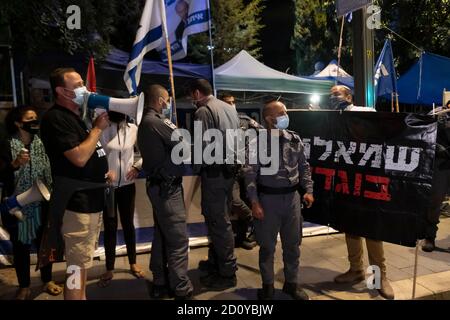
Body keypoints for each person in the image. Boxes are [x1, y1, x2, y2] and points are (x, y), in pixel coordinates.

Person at [40, 68, 109, 300]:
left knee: (81, 264)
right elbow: (78, 157)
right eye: (78, 84)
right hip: (77, 204)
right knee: (75, 268)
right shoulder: (56, 118)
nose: (85, 89)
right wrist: (98, 129)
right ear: (61, 91)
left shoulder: (74, 118)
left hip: (89, 202)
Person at [243, 100, 314, 300]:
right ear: (269, 118)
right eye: (282, 113)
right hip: (268, 201)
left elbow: (304, 167)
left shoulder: (294, 139)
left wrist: (308, 190)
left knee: (293, 245)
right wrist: (254, 203)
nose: (286, 115)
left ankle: (291, 284)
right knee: (267, 247)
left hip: (292, 199)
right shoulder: (257, 143)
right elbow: (249, 175)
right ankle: (267, 286)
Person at [329, 85, 394, 300]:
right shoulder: (331, 118)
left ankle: (378, 277)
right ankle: (356, 269)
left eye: (336, 94)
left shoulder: (365, 112)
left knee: (372, 228)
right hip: (346, 178)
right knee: (351, 225)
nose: (332, 97)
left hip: (368, 176)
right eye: (330, 95)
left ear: (348, 96)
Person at [0, 105, 62, 300]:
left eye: (36, 118)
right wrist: (14, 165)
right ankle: (24, 286)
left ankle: (47, 280)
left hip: (42, 202)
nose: (35, 122)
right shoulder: (6, 145)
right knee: (21, 248)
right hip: (19, 204)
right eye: (30, 119)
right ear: (18, 123)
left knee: (46, 243)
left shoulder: (41, 143)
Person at [137, 84, 193, 300]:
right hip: (168, 190)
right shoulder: (157, 122)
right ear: (161, 101)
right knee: (178, 240)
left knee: (162, 235)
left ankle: (160, 281)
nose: (168, 104)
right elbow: (184, 145)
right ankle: (181, 289)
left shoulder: (146, 122)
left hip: (158, 186)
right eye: (167, 100)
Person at [187, 79, 240, 290]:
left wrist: (196, 167)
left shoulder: (203, 111)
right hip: (229, 172)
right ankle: (216, 261)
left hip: (215, 173)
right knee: (221, 220)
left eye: (192, 96)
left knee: (218, 222)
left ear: (197, 93)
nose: (192, 100)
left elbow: (202, 147)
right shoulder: (228, 107)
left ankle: (227, 272)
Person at [97, 111, 144, 287]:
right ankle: (109, 267)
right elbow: (96, 155)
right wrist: (104, 173)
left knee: (128, 224)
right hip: (108, 186)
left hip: (127, 185)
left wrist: (138, 167)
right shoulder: (102, 129)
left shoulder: (134, 129)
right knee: (110, 225)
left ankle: (133, 262)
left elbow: (146, 150)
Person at [220, 92, 258, 250]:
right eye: (227, 102)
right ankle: (255, 222)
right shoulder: (219, 122)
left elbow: (262, 133)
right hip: (231, 169)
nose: (231, 105)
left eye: (233, 102)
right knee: (234, 201)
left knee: (249, 200)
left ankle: (245, 236)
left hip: (248, 168)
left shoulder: (245, 119)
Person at [423, 99, 450, 251]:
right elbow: (423, 133)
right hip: (441, 163)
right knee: (434, 201)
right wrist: (435, 147)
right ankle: (429, 236)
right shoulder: (438, 113)